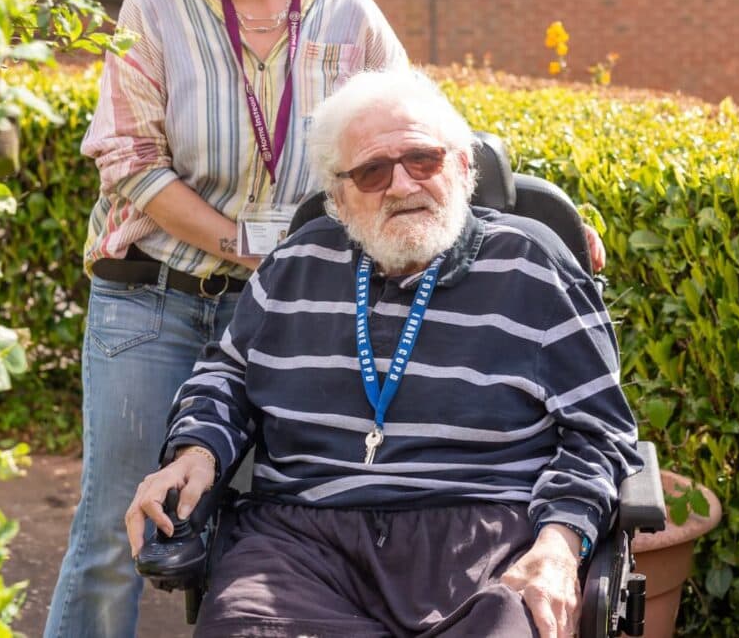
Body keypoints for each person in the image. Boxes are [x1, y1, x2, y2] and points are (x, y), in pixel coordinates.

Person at [44, 0, 409, 638]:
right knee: (117, 528)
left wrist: (526, 208)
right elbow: (129, 161)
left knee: (271, 530)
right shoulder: (155, 8)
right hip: (155, 300)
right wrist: (243, 243)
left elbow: (416, 124)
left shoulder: (345, 13)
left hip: (288, 315)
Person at [126, 69, 641, 638]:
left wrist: (560, 542)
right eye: (372, 171)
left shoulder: (532, 266)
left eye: (423, 159)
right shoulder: (295, 266)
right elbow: (226, 377)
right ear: (339, 199)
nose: (401, 185)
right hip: (301, 547)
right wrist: (195, 452)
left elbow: (601, 433)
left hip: (485, 545)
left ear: (463, 167)